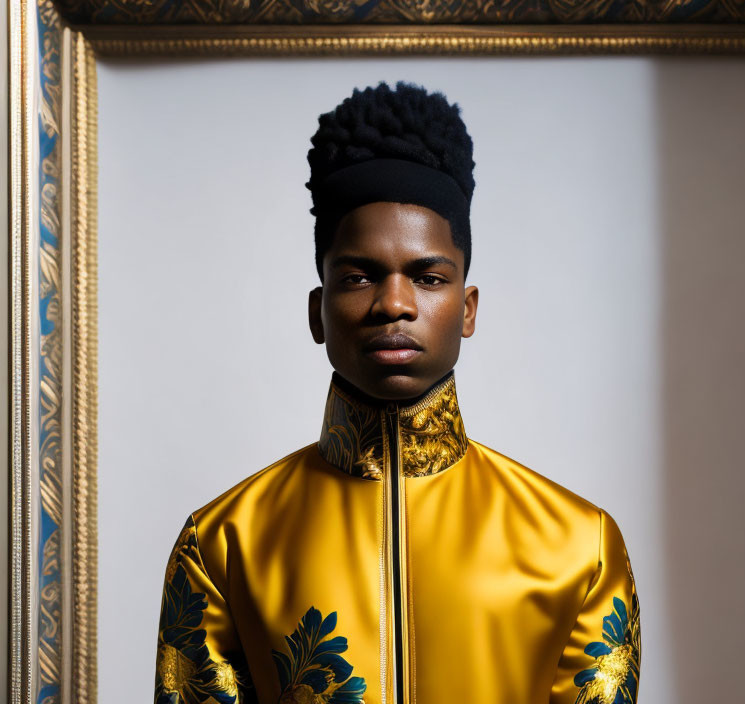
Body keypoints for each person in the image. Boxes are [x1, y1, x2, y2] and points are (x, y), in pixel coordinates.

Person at [154, 81, 640, 704]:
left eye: (427, 277)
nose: (394, 303)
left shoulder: (580, 546)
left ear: (467, 308)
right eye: (358, 277)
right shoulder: (224, 545)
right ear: (317, 311)